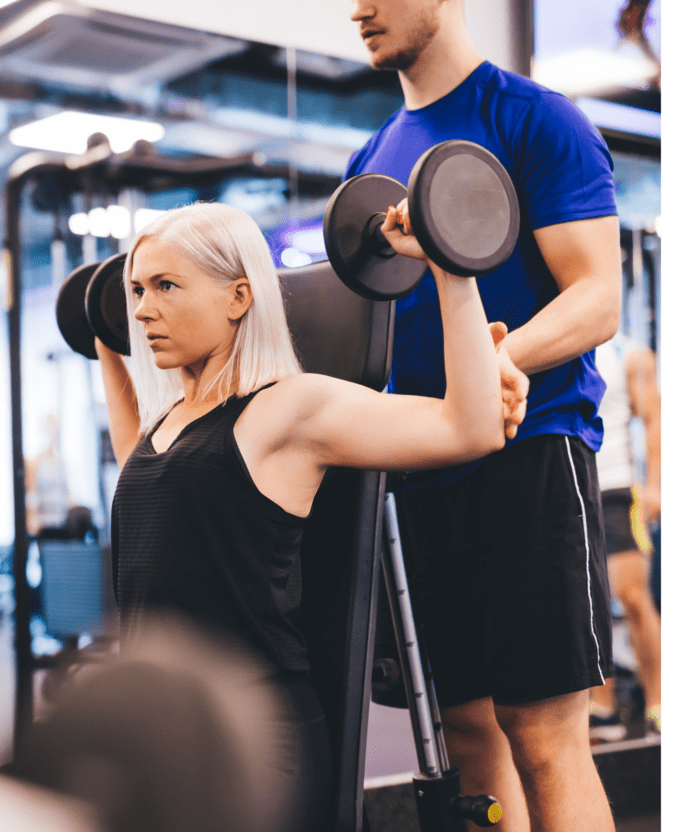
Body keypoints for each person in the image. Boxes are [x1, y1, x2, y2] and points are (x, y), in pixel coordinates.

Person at [94, 200, 528, 832]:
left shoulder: (286, 409)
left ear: (238, 296)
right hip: (168, 726)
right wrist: (106, 344)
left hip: (252, 736)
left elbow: (470, 427)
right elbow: (141, 468)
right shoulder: (165, 424)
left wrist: (450, 268)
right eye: (136, 290)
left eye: (165, 286)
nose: (140, 310)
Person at [347, 2, 622, 831]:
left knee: (544, 737)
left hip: (529, 455)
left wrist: (501, 362)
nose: (358, 9)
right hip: (419, 472)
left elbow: (597, 296)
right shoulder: (371, 157)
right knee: (465, 733)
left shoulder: (536, 119)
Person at [589, 331, 661, 740]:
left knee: (633, 597)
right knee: (587, 603)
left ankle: (660, 703)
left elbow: (655, 419)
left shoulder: (629, 354)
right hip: (574, 488)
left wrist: (656, 486)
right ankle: (603, 708)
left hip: (619, 489)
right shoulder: (560, 346)